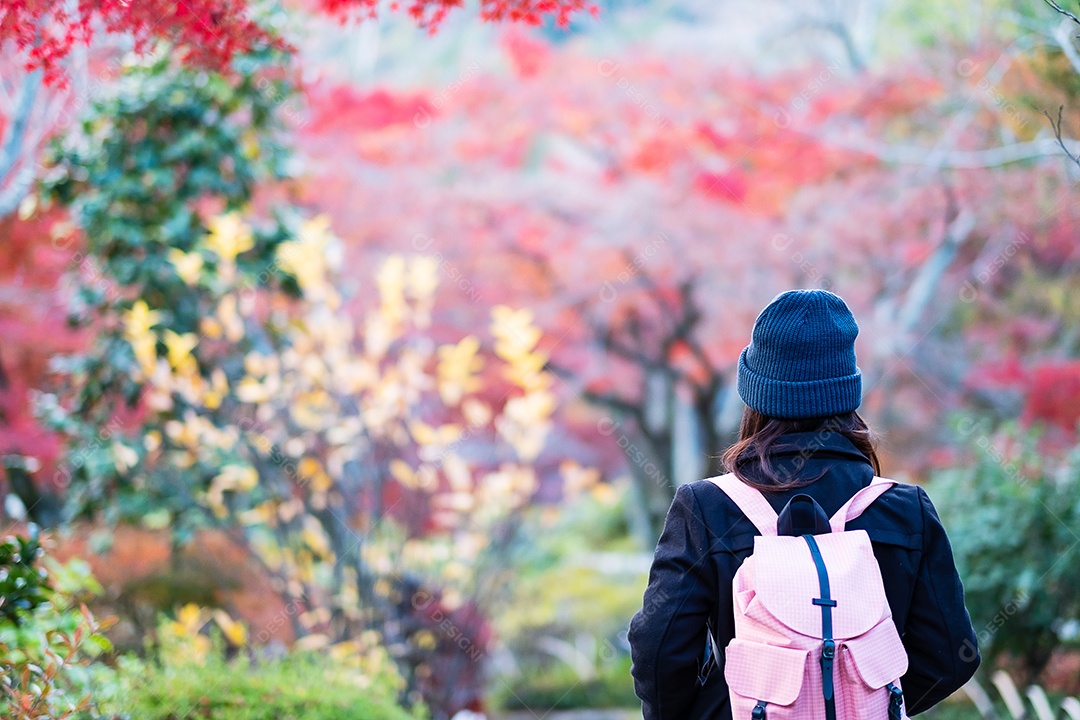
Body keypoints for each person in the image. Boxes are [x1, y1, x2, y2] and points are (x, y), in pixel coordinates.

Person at [627, 289, 980, 719]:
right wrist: (867, 700)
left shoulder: (708, 507)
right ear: (848, 393)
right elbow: (952, 655)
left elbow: (659, 655)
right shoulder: (905, 509)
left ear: (755, 395)